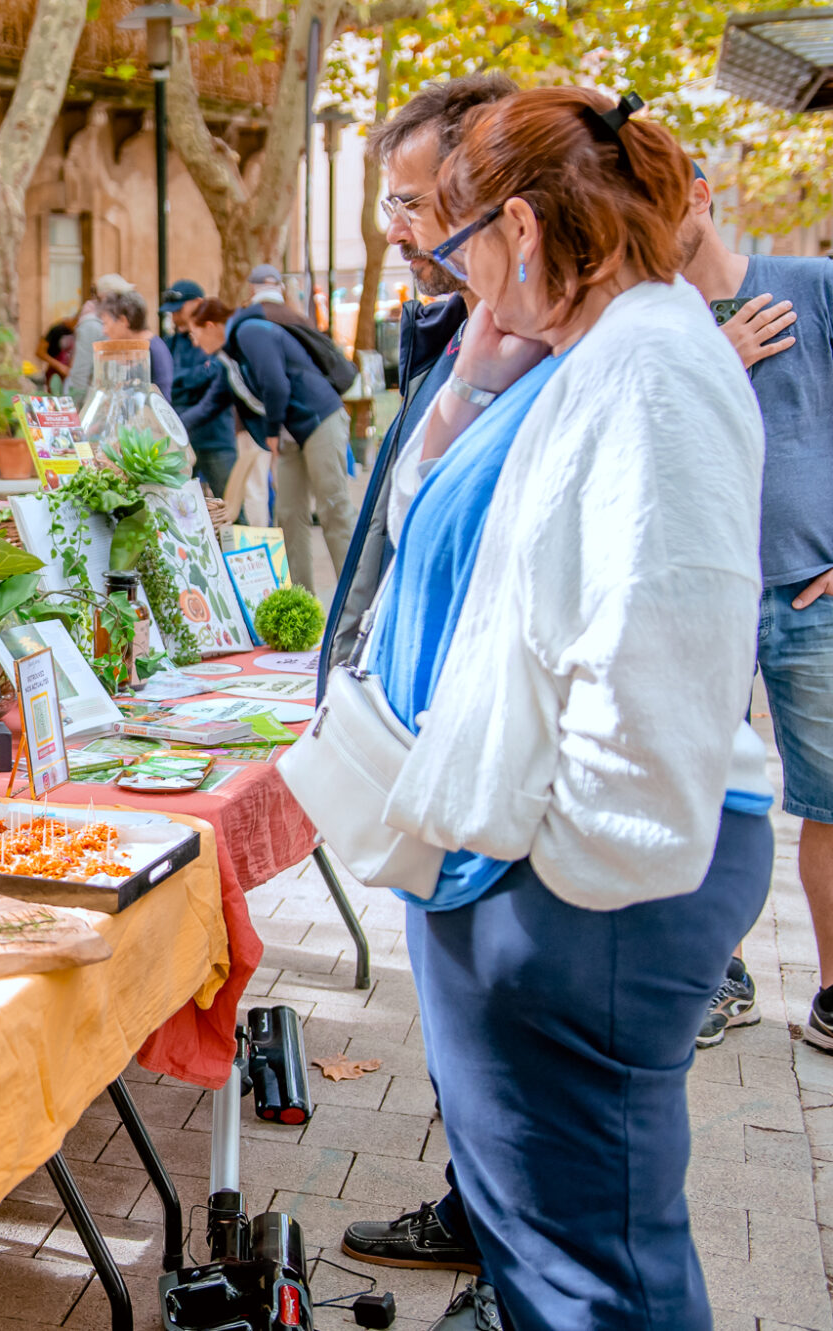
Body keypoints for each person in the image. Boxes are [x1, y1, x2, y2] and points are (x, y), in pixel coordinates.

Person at [321, 87, 770, 1329]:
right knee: (551, 1255)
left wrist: (561, 883)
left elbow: (661, 650)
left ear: (518, 228)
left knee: (592, 1276)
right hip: (537, 878)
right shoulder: (607, 351)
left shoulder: (650, 367)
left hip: (583, 895)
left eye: (460, 239)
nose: (453, 273)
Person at [310, 72, 518, 1306]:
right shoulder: (454, 328)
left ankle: (510, 1265)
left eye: (410, 200)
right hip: (427, 743)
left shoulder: (561, 345)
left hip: (485, 758)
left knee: (505, 1041)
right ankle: (475, 1214)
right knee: (460, 1032)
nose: (394, 227)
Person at [679, 166, 833, 1053]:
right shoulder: (652, 327)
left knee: (831, 799)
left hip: (812, 590)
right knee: (709, 797)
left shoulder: (812, 286)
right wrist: (716, 359)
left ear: (700, 195)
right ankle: (718, 976)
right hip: (699, 594)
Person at [318, 73, 518, 705]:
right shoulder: (449, 343)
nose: (395, 233)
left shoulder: (557, 357)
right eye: (391, 208)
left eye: (411, 206)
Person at [182, 297, 357, 594]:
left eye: (194, 334)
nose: (195, 343)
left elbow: (276, 383)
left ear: (210, 326)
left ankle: (356, 598)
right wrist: (170, 425)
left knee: (333, 508)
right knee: (288, 514)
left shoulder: (250, 331)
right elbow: (208, 407)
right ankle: (302, 600)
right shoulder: (230, 360)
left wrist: (272, 430)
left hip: (319, 420)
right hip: (290, 434)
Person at [162, 281, 237, 497]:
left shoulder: (217, 340)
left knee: (229, 503)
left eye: (178, 309)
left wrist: (181, 379)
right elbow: (169, 382)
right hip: (182, 438)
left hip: (216, 438)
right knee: (180, 503)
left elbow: (215, 376)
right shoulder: (170, 342)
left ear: (197, 303)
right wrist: (196, 375)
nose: (174, 316)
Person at [92, 289, 174, 405]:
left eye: (105, 323)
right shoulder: (145, 346)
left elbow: (160, 402)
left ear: (123, 320)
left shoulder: (149, 350)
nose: (104, 331)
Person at [66, 273, 137, 399]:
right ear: (105, 297)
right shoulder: (91, 325)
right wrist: (78, 406)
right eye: (121, 297)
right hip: (91, 399)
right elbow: (80, 373)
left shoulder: (117, 321)